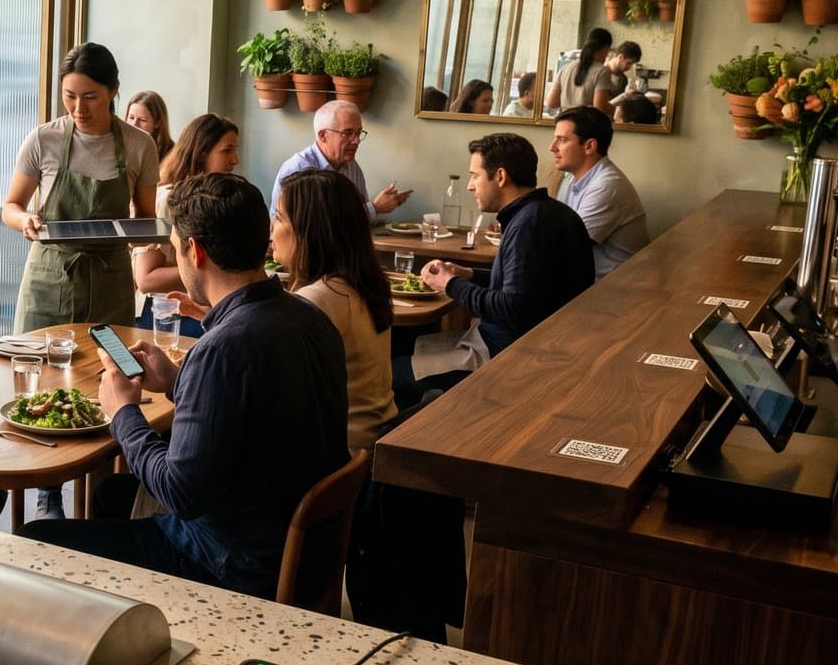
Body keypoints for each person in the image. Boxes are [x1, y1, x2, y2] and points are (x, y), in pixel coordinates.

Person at [18, 174, 348, 599]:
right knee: (112, 494)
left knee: (32, 539)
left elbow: (180, 492)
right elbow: (252, 414)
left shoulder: (224, 348)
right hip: (301, 550)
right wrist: (176, 381)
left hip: (230, 565)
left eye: (176, 247)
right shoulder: (308, 317)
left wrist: (124, 413)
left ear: (195, 250)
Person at [394, 133, 594, 405]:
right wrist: (469, 274)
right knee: (406, 344)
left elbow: (513, 308)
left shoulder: (529, 225)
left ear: (500, 176)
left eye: (475, 176)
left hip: (511, 355)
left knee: (391, 373)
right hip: (526, 342)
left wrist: (451, 285)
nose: (470, 186)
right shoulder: (547, 212)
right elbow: (528, 284)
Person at [4, 42, 159, 333]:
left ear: (114, 91)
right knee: (38, 371)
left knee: (110, 371)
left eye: (90, 97)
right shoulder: (42, 140)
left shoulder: (140, 145)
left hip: (110, 281)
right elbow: (11, 206)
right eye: (69, 96)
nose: (79, 108)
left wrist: (152, 234)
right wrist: (25, 220)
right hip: (48, 281)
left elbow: (145, 219)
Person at [272, 169, 395, 451]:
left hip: (336, 458)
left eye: (279, 218)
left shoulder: (318, 299)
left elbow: (273, 391)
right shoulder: (360, 283)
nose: (271, 227)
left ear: (308, 231)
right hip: (368, 446)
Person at [132, 113, 239, 307]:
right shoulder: (166, 200)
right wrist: (215, 269)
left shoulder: (214, 200)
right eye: (227, 150)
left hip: (202, 307)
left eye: (235, 150)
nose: (235, 159)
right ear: (202, 153)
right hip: (163, 312)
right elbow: (146, 280)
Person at [268, 100, 411, 224]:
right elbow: (318, 226)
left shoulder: (352, 168)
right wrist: (375, 208)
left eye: (358, 133)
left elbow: (355, 220)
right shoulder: (300, 169)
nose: (356, 141)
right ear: (323, 136)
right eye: (348, 133)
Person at [550, 105, 649, 279]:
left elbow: (564, 245)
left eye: (562, 140)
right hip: (585, 285)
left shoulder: (608, 186)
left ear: (589, 146)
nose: (553, 147)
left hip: (612, 292)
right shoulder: (571, 179)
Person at [544, 27, 611, 112]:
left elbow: (552, 103)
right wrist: (615, 109)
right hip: (585, 123)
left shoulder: (565, 68)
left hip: (564, 121)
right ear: (606, 48)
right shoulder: (602, 71)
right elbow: (599, 108)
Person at [124, 89, 174, 163]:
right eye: (131, 117)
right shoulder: (119, 147)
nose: (134, 124)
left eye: (142, 120)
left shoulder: (171, 154)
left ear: (157, 123)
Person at [588, 42, 641, 109]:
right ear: (620, 57)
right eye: (628, 63)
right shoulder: (600, 74)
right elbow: (600, 106)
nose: (630, 67)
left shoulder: (623, 79)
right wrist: (625, 95)